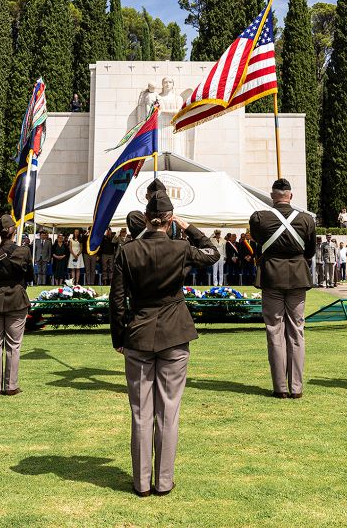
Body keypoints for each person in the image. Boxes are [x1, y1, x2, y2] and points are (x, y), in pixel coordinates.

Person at [110, 181, 220, 496]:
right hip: (174, 332)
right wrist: (190, 227)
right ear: (170, 220)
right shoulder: (181, 247)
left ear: (146, 218)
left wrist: (119, 337)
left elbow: (117, 301)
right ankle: (164, 481)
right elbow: (213, 253)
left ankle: (142, 482)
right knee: (168, 412)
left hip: (140, 333)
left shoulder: (127, 251)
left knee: (141, 413)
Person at [249, 178, 317, 398]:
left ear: (272, 196)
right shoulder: (307, 220)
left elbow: (259, 240)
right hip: (297, 276)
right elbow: (310, 251)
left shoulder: (260, 218)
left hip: (271, 276)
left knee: (274, 330)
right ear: (291, 196)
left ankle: (280, 387)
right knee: (297, 330)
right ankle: (296, 388)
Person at [0, 215, 32, 395]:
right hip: (16, 299)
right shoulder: (23, 252)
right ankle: (10, 386)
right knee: (13, 345)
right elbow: (30, 277)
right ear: (14, 232)